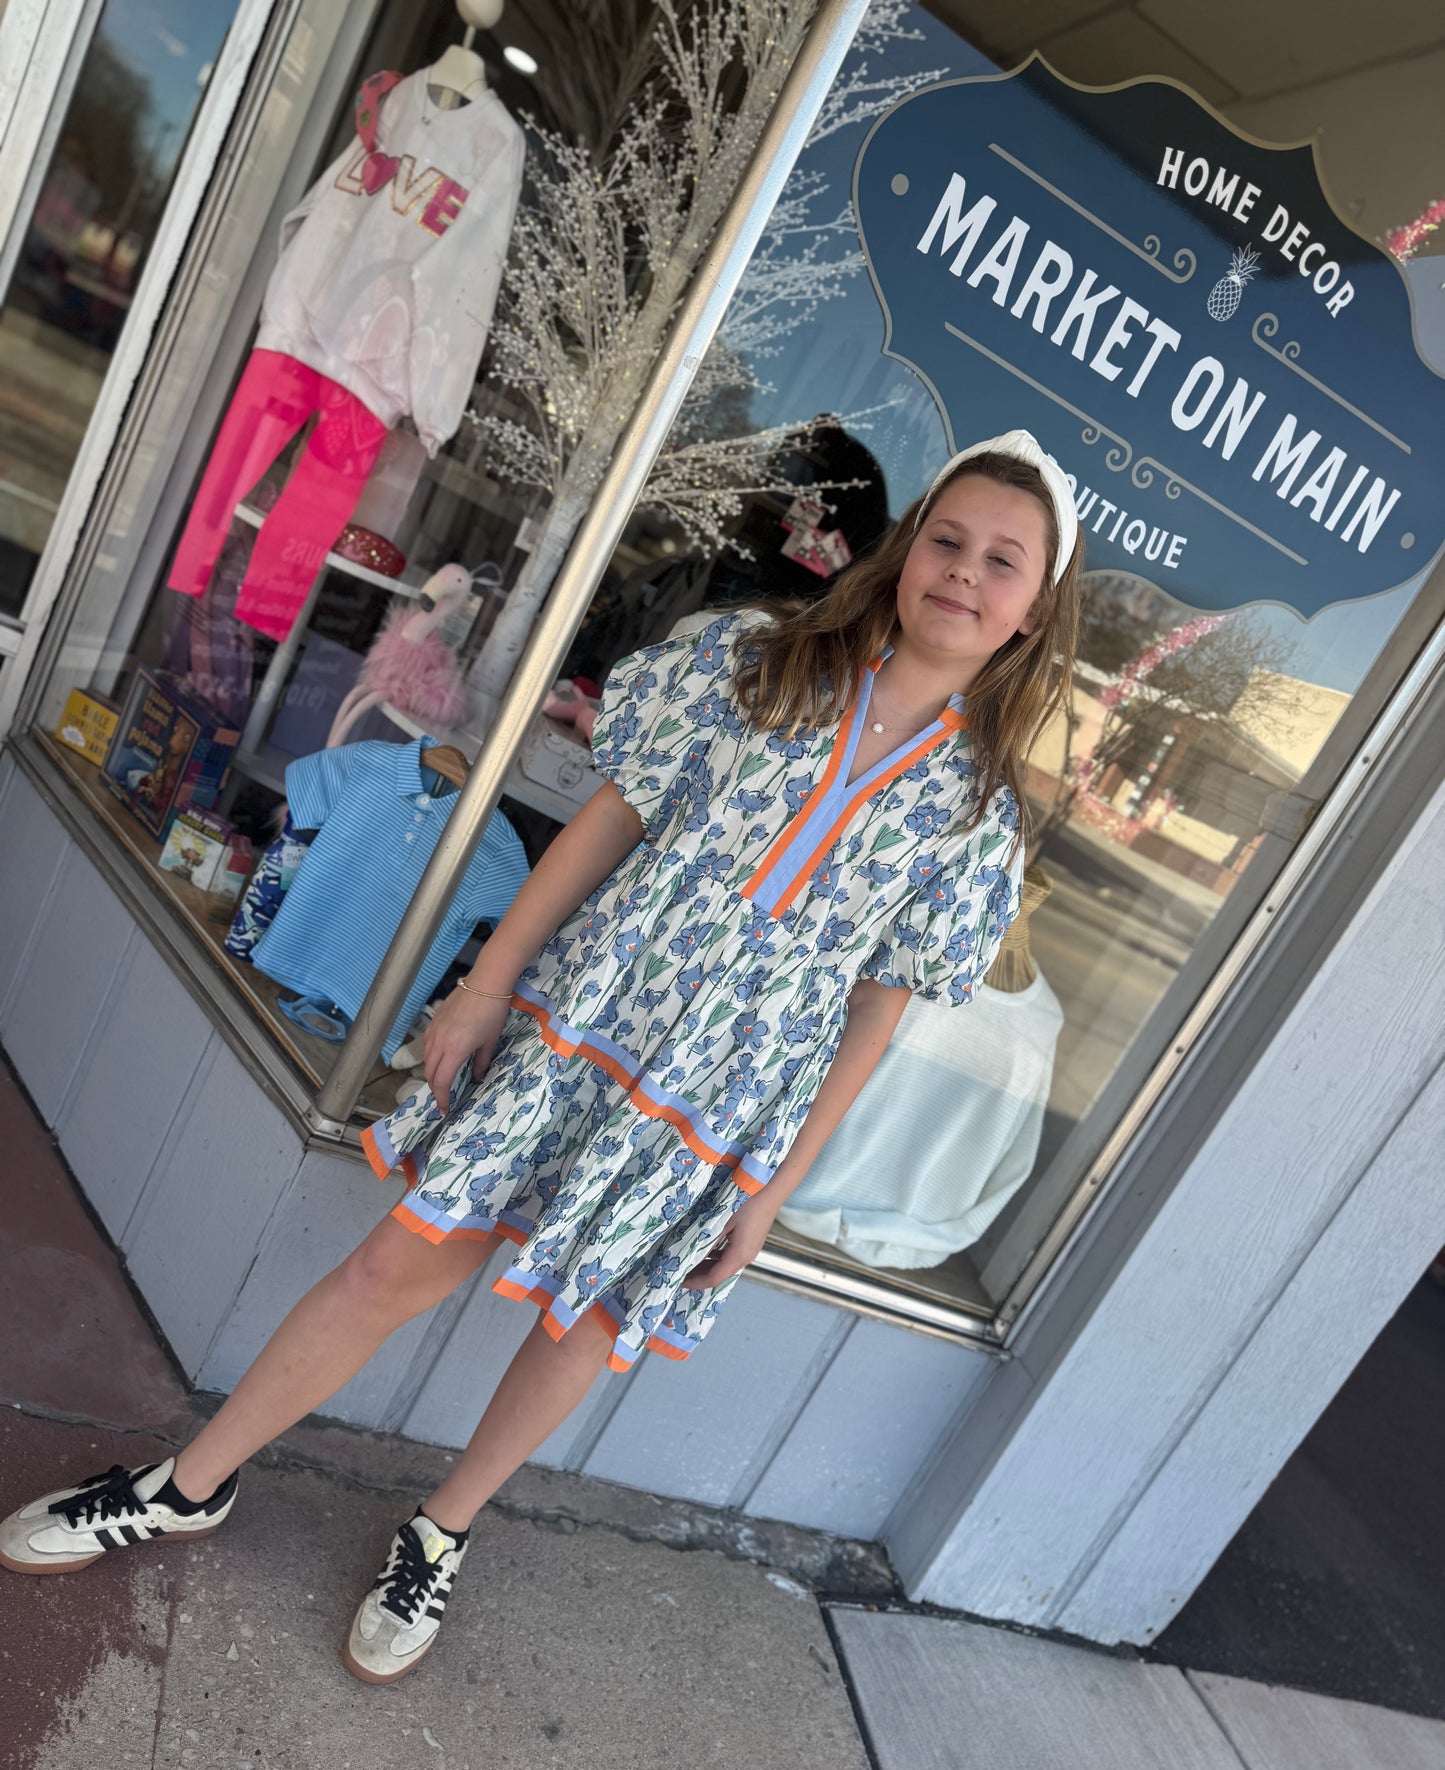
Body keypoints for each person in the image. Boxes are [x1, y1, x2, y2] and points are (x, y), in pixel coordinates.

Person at [1, 430, 1083, 1683]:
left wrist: (767, 1191)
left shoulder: (975, 818)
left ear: (1033, 610)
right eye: (946, 538)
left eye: (1002, 561)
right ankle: (189, 1483)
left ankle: (442, 1527)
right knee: (393, 1264)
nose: (962, 571)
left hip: (714, 1105)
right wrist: (487, 983)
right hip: (584, 1025)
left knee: (582, 1329)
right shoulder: (752, 663)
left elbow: (874, 1019)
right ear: (905, 551)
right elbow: (605, 822)